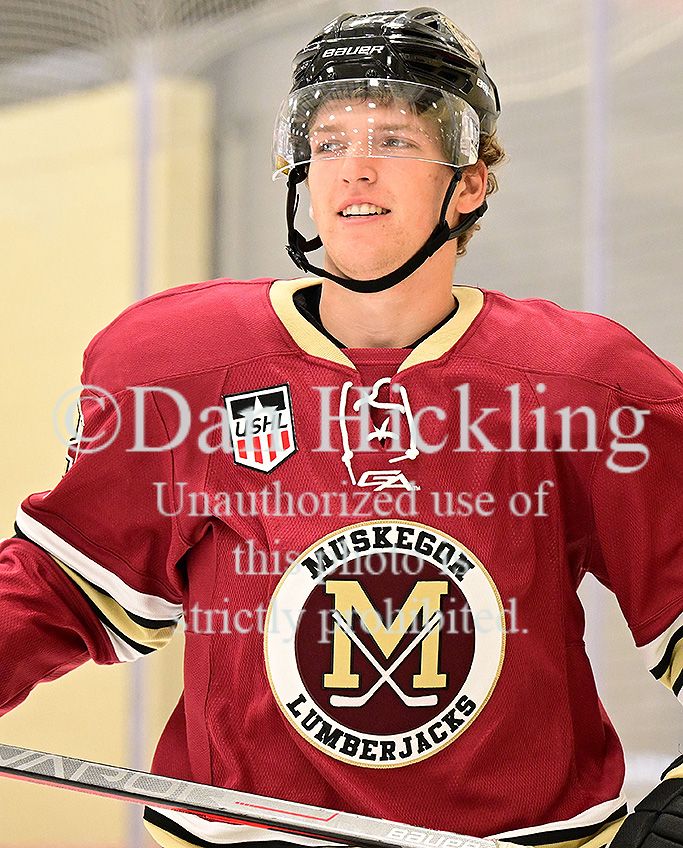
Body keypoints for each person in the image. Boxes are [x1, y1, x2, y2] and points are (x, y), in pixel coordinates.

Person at [1, 8, 682, 848]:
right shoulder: (178, 364)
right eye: (327, 144)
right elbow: (66, 581)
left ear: (468, 184)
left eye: (392, 141)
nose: (353, 168)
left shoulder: (586, 382)